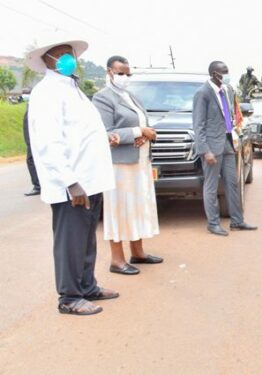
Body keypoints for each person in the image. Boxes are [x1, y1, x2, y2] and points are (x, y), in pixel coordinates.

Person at [26, 40, 119, 315]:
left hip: (91, 178)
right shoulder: (46, 93)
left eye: (71, 54)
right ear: (48, 59)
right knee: (70, 240)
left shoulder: (72, 88)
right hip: (72, 183)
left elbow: (80, 134)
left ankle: (87, 286)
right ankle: (69, 297)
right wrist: (70, 181)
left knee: (87, 238)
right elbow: (48, 141)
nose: (69, 59)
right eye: (63, 55)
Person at [92, 55, 163, 275]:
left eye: (128, 74)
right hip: (119, 165)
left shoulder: (130, 96)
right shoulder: (102, 98)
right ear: (109, 72)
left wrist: (145, 134)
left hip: (139, 161)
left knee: (138, 206)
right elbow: (105, 133)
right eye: (120, 73)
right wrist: (137, 132)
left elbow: (143, 123)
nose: (125, 77)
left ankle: (138, 252)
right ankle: (116, 259)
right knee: (119, 209)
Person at [192, 61, 257, 236]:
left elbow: (229, 116)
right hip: (212, 147)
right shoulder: (203, 94)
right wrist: (205, 151)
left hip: (228, 143)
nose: (228, 75)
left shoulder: (227, 91)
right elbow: (198, 125)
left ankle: (237, 221)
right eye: (224, 72)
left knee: (233, 182)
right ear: (214, 73)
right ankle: (213, 223)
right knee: (211, 187)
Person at [22, 108, 41, 196]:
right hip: (36, 139)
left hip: (35, 140)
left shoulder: (33, 107)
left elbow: (28, 127)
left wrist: (29, 143)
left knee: (31, 160)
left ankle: (38, 186)